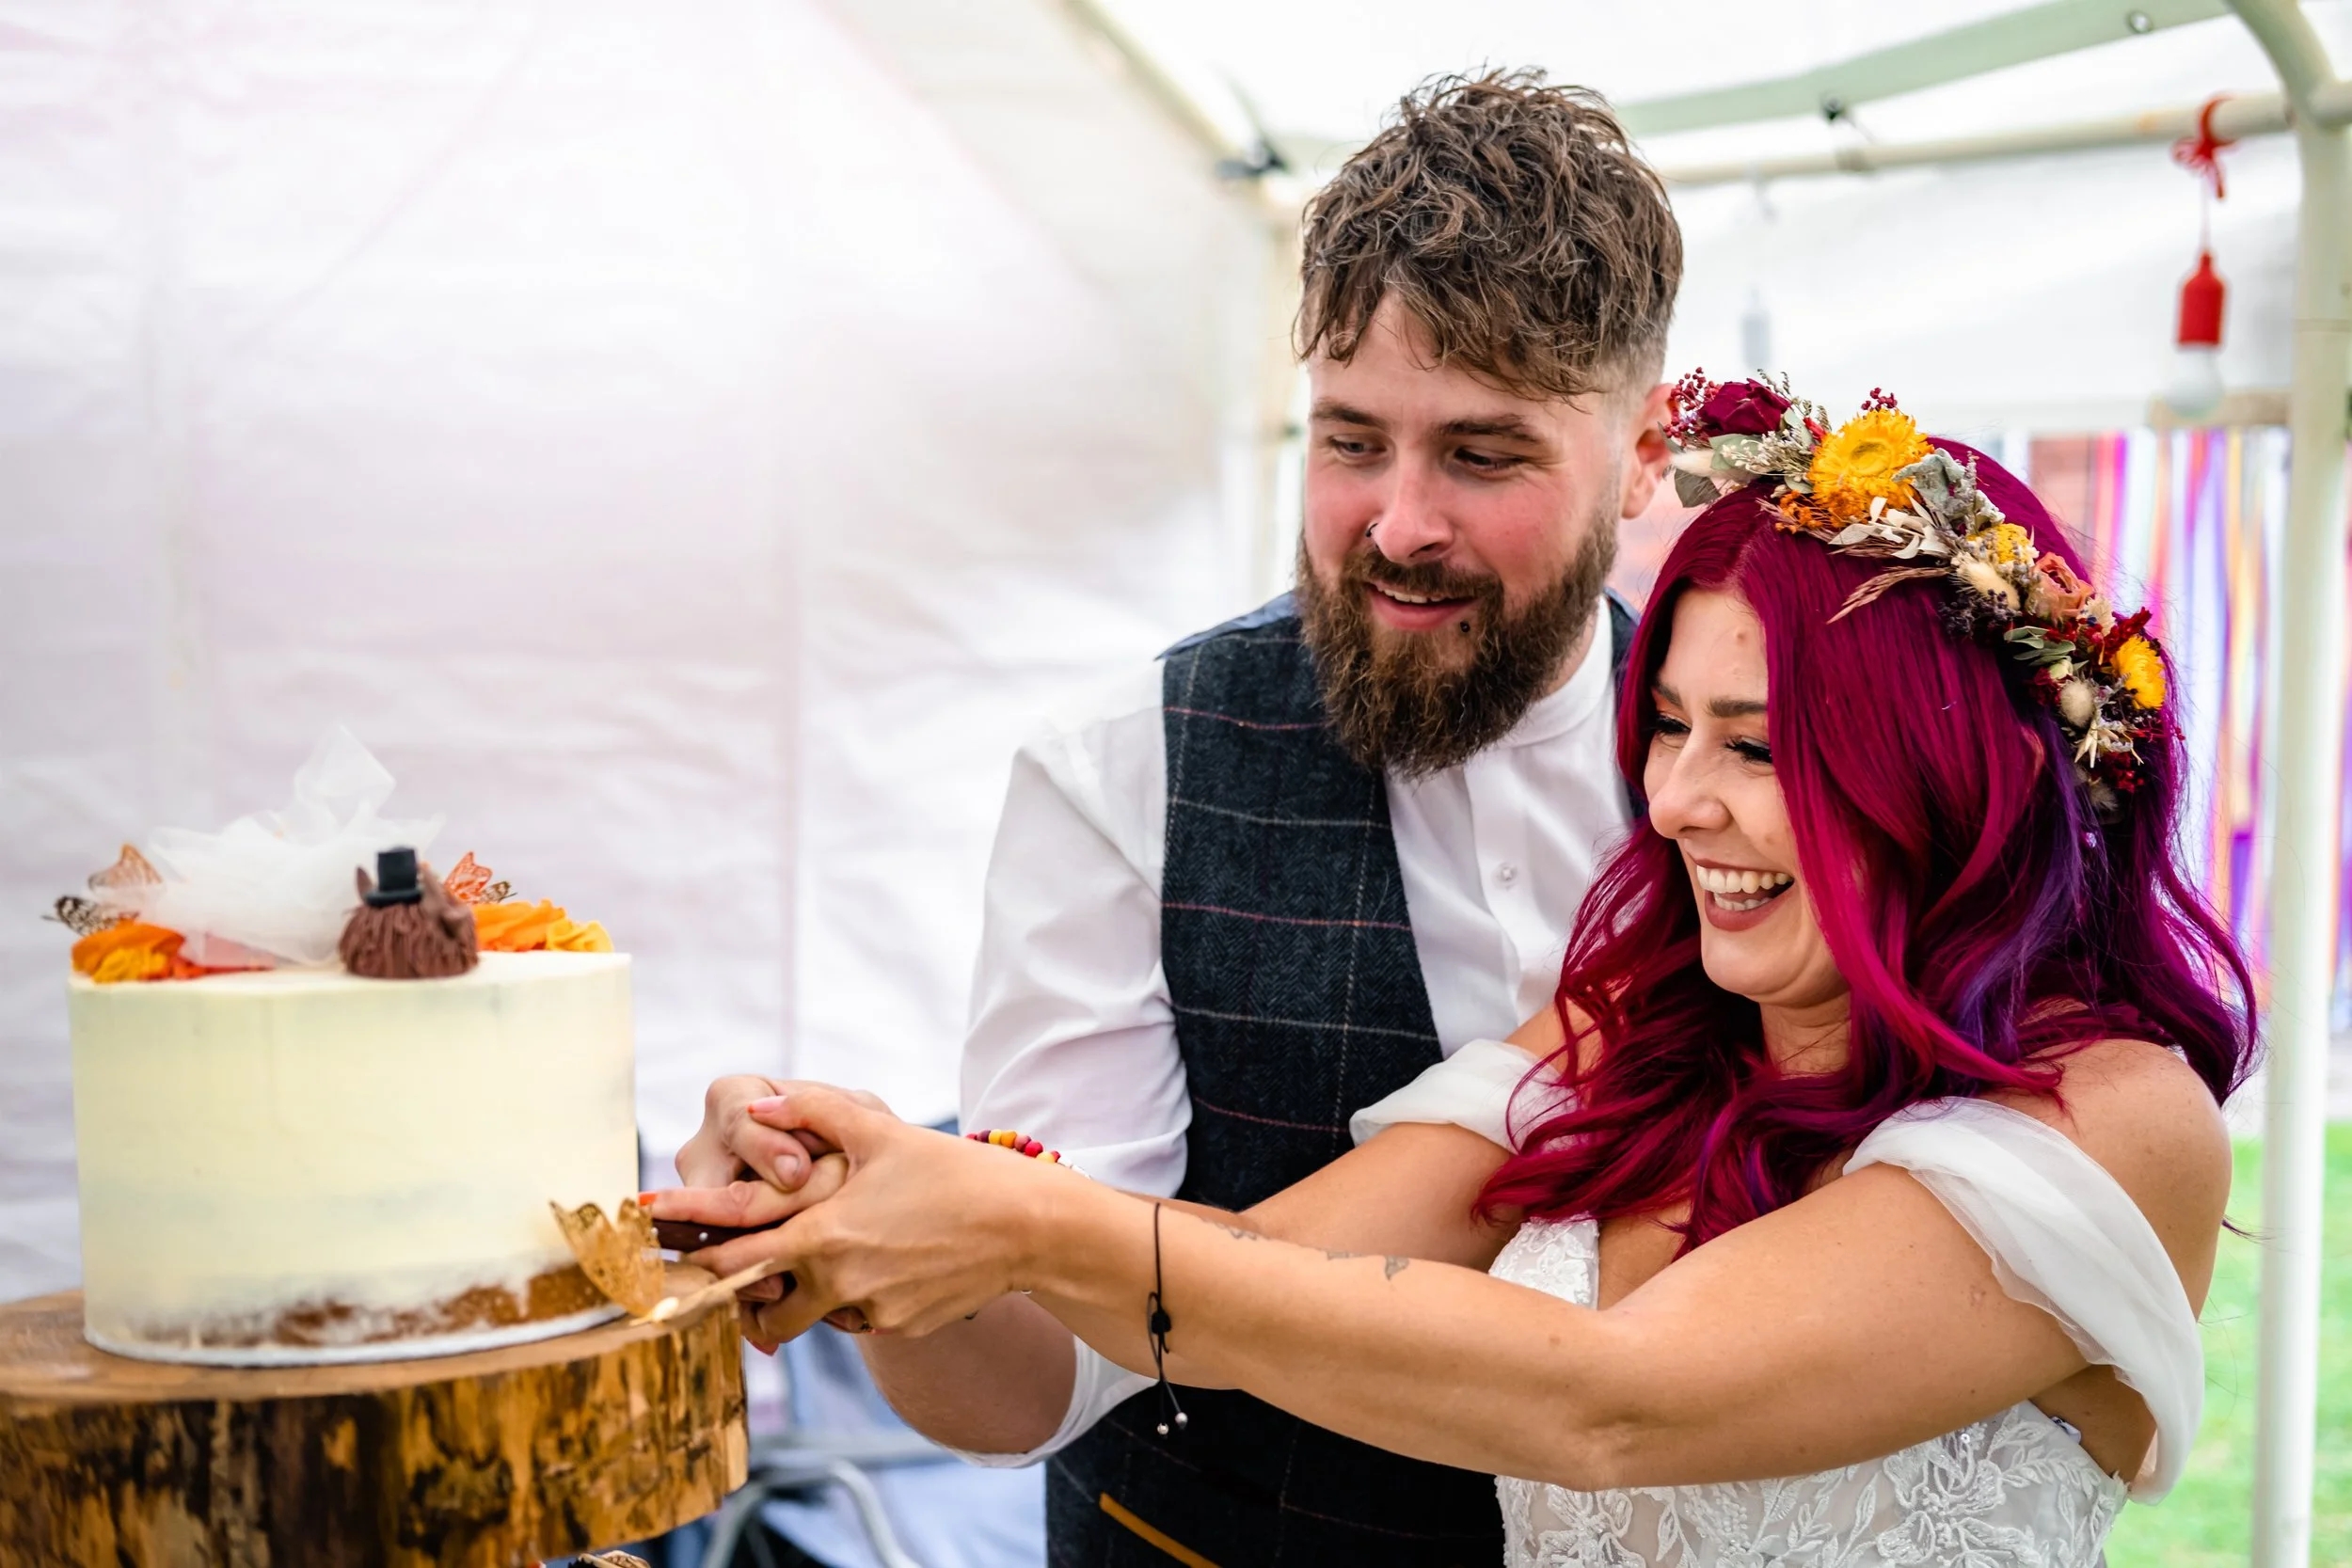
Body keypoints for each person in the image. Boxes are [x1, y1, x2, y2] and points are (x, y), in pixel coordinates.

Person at [650, 380, 2255, 1568]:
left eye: (1757, 747)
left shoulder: (2115, 1118)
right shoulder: (1635, 1020)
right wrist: (867, 1175)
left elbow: (1614, 1404)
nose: (1681, 798)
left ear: (1944, 772)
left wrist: (1017, 1216)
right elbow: (1222, 1286)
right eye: (1673, 727)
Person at [666, 67, 1683, 1567]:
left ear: (1644, 448)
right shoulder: (1122, 770)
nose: (1398, 523)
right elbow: (1031, 1379)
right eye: (1348, 441)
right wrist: (859, 1242)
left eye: (1481, 454)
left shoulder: (1767, 755)